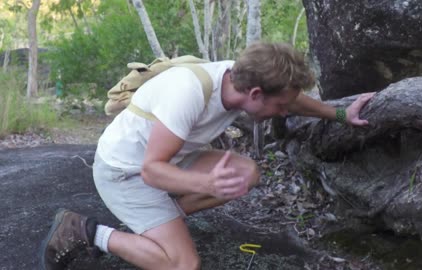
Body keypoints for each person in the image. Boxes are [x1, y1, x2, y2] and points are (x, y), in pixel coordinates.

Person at [40, 42, 374, 270]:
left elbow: (293, 99)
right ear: (256, 95)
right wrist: (204, 182)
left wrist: (341, 115)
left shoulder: (241, 79)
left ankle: (159, 221)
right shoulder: (188, 92)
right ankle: (84, 231)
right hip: (124, 172)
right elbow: (151, 171)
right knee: (184, 265)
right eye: (279, 107)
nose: (284, 112)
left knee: (246, 174)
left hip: (168, 161)